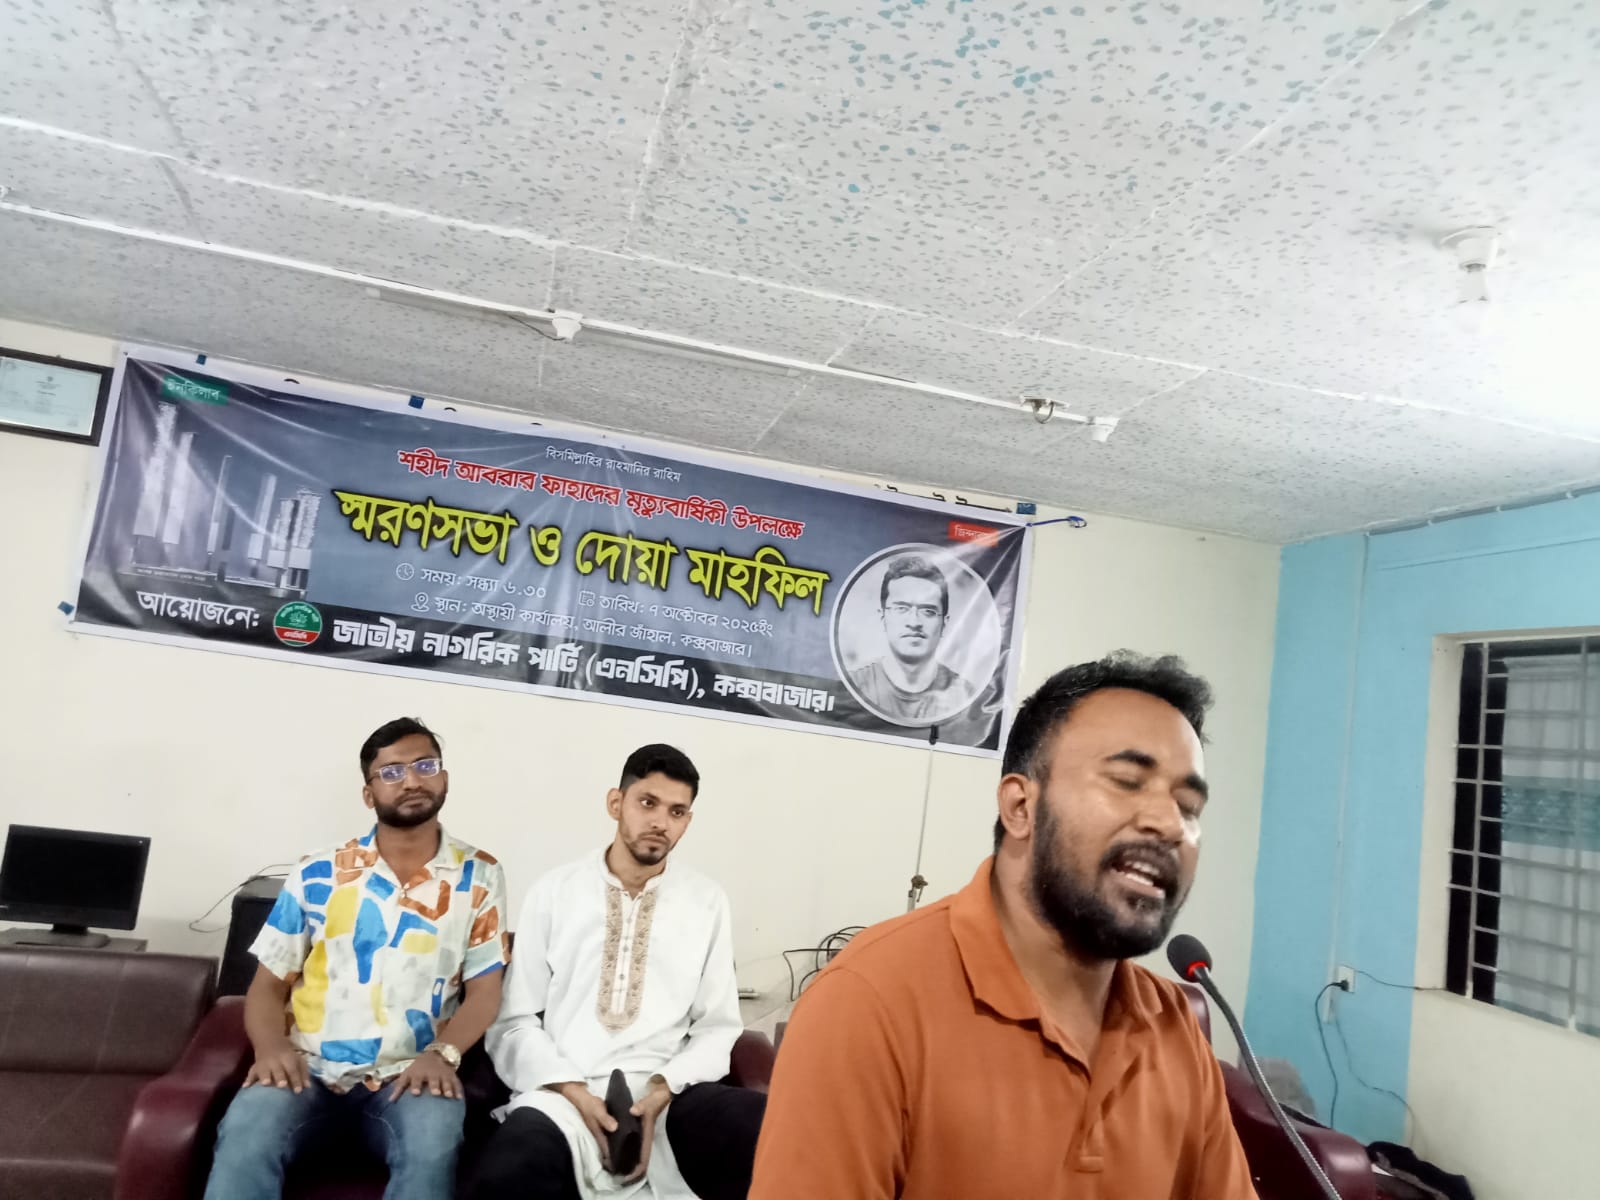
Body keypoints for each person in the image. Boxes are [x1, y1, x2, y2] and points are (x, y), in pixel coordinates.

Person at [749, 652, 1256, 1198]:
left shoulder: (1174, 1027)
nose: (1170, 825)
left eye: (1189, 806)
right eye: (1128, 781)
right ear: (1020, 806)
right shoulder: (869, 1003)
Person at [204, 717, 508, 1200]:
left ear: (444, 777)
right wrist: (270, 1048)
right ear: (369, 794)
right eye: (392, 772)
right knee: (247, 1130)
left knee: (433, 1141)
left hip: (410, 1075)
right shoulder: (318, 871)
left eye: (425, 765)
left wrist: (442, 1054)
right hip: (305, 1069)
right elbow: (267, 985)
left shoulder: (481, 875)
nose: (411, 781)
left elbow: (485, 991)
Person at [470, 744, 763, 1200]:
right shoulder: (554, 892)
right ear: (615, 803)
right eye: (647, 803)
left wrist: (662, 1091)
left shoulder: (706, 901)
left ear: (687, 821)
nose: (660, 822)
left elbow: (718, 1028)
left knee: (765, 1130)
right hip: (565, 1096)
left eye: (676, 812)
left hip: (668, 1097)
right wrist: (572, 1090)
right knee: (509, 1169)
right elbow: (515, 1022)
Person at [846, 554, 977, 726]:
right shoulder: (852, 687)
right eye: (901, 608)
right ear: (883, 618)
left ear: (944, 623)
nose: (914, 623)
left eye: (928, 611)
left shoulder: (966, 697)